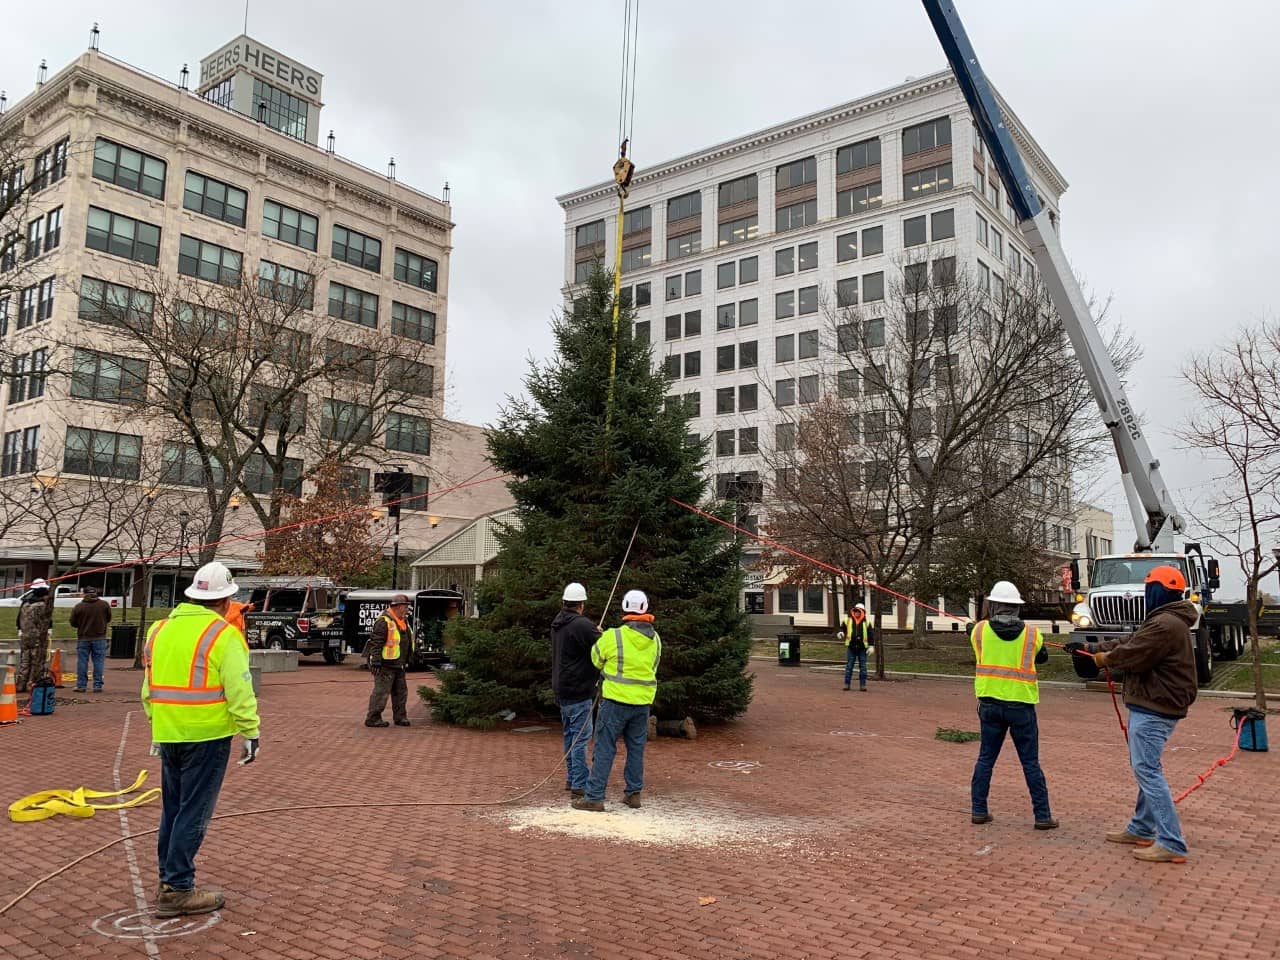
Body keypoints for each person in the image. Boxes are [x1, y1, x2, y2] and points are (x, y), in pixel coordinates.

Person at [142, 561, 259, 918]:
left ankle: (169, 879)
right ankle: (177, 889)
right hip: (208, 736)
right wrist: (251, 731)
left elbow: (148, 690)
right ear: (226, 601)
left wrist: (159, 726)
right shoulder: (223, 636)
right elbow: (240, 690)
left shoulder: (158, 630)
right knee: (193, 812)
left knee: (174, 810)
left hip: (169, 733)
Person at [1065, 565, 1197, 864]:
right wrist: (1089, 647)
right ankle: (1141, 828)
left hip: (1156, 706)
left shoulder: (1164, 623)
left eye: (1150, 588)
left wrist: (1099, 660)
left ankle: (1171, 842)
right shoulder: (1165, 620)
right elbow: (1130, 642)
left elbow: (1132, 654)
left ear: (1158, 592)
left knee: (1148, 772)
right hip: (1154, 703)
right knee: (1147, 768)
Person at [969, 580, 1057, 830]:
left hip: (989, 705)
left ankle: (979, 810)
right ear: (1016, 608)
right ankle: (1042, 816)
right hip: (1021, 706)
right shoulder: (1032, 634)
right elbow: (1042, 657)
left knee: (986, 758)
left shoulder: (978, 631)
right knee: (1030, 763)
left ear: (994, 605)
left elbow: (978, 647)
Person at [573, 589, 661, 812]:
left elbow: (596, 659)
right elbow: (654, 667)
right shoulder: (656, 639)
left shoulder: (613, 636)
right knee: (636, 748)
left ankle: (594, 797)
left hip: (614, 703)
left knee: (604, 748)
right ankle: (633, 794)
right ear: (645, 608)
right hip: (642, 704)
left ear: (624, 608)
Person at [551, 582, 602, 799]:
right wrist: (598, 632)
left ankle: (572, 778)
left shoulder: (558, 622)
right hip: (579, 690)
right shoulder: (581, 624)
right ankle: (580, 784)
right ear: (581, 604)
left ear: (564, 602)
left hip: (562, 689)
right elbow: (603, 645)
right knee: (580, 739)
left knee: (570, 736)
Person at [365, 594, 414, 728]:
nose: (407, 609)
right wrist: (376, 661)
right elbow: (376, 643)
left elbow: (406, 641)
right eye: (405, 606)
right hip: (385, 665)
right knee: (381, 692)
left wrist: (410, 656)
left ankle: (400, 717)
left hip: (399, 664)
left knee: (401, 693)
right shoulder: (384, 621)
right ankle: (373, 718)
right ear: (397, 607)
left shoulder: (403, 621)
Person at [70, 586, 113, 693]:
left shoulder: (79, 607)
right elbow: (108, 618)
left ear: (84, 594)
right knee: (99, 662)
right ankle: (97, 685)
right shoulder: (104, 605)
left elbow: (73, 622)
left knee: (82, 661)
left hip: (83, 637)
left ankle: (81, 685)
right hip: (99, 637)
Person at [15, 579, 53, 695]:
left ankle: (21, 684)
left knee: (24, 661)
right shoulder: (41, 605)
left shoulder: (25, 603)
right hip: (37, 637)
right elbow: (45, 621)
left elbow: (18, 619)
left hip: (25, 636)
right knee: (37, 660)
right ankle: (32, 684)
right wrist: (49, 631)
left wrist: (20, 629)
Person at [840, 602, 874, 691]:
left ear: (862, 612)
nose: (857, 613)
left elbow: (871, 634)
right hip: (851, 647)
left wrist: (871, 646)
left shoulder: (867, 622)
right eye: (855, 611)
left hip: (862, 648)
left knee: (863, 667)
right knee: (849, 666)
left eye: (859, 611)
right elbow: (842, 629)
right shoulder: (848, 620)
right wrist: (841, 632)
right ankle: (847, 684)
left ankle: (863, 685)